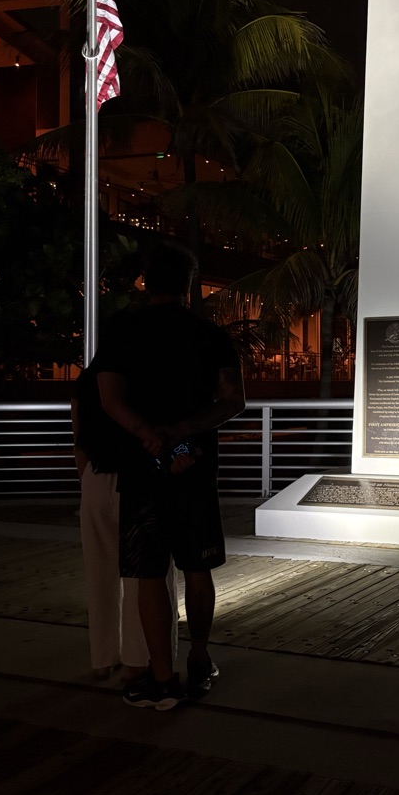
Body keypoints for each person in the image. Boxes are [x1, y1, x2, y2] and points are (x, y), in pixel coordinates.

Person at [94, 241, 246, 710]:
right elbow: (232, 400)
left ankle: (162, 679)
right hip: (194, 466)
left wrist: (150, 435)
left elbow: (109, 398)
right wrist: (180, 433)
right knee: (197, 568)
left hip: (142, 466)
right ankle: (199, 658)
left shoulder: (123, 330)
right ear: (189, 284)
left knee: (148, 572)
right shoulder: (210, 334)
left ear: (146, 282)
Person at [72, 361, 179, 682]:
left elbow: (79, 436)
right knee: (145, 576)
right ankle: (138, 660)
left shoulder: (88, 378)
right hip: (138, 477)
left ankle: (103, 657)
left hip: (95, 476)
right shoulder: (147, 373)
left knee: (99, 571)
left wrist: (86, 478)